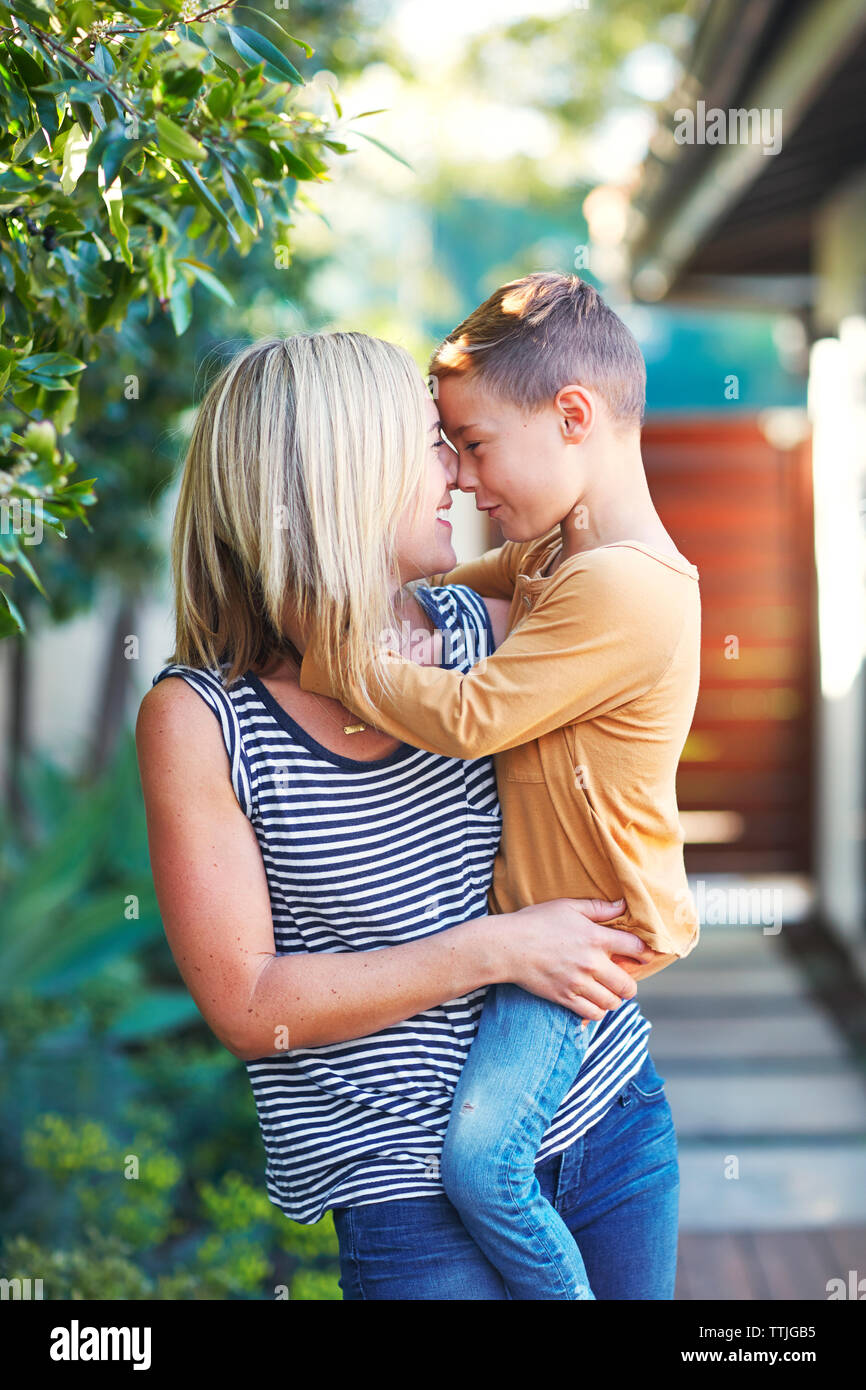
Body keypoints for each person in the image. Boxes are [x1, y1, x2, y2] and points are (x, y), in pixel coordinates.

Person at [136, 329, 678, 1302]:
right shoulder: (200, 720)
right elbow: (252, 1009)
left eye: (459, 445)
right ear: (340, 476)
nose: (458, 476)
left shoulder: (497, 634)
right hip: (403, 1191)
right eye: (431, 444)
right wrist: (499, 947)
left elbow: (637, 666)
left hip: (604, 1122)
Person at [299, 275, 702, 1299]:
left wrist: (333, 657)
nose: (465, 480)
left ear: (572, 417)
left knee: (480, 1161)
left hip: (586, 928)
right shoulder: (561, 553)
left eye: (473, 444)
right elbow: (443, 588)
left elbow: (472, 712)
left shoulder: (621, 586)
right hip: (549, 918)